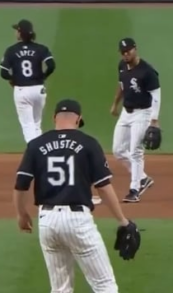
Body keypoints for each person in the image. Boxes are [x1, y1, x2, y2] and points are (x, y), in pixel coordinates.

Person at [13, 99, 134, 293]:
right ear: (78, 120)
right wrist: (122, 220)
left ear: (54, 118)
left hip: (47, 221)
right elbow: (103, 187)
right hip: (78, 221)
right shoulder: (88, 143)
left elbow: (20, 184)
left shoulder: (36, 145)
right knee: (105, 285)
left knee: (60, 289)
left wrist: (21, 214)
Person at [110, 37, 161, 203]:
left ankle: (134, 189)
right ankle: (143, 178)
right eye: (123, 52)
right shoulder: (122, 66)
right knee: (118, 150)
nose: (125, 54)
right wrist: (115, 104)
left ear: (135, 49)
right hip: (126, 112)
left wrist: (154, 119)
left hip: (143, 114)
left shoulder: (147, 72)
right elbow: (122, 85)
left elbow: (156, 96)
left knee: (135, 152)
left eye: (128, 51)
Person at [0, 19, 56, 143]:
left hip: (21, 90)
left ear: (20, 33)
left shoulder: (11, 50)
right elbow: (51, 65)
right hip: (38, 89)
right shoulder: (41, 49)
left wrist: (13, 79)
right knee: (36, 124)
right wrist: (43, 76)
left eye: (16, 30)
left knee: (28, 125)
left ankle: (34, 153)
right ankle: (42, 152)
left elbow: (3, 73)